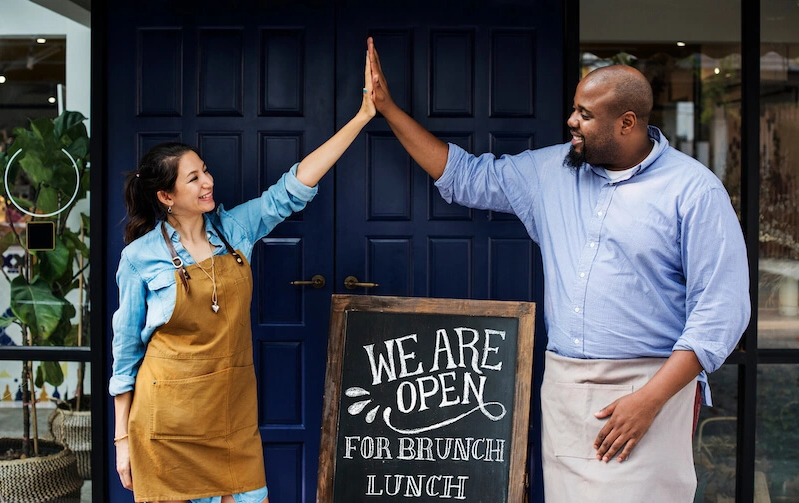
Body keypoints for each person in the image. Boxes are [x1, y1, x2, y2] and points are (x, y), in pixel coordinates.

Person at [366, 37, 750, 502]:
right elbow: (464, 176)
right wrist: (387, 108)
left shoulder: (694, 192)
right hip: (565, 387)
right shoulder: (551, 171)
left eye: (586, 114)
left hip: (651, 388)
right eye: (575, 108)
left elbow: (721, 313)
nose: (571, 120)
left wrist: (650, 400)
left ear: (627, 123)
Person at [109, 55, 375, 503]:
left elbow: (291, 190)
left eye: (205, 171)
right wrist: (121, 443)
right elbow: (125, 357)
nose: (207, 182)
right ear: (167, 196)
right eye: (193, 178)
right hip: (166, 429)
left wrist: (363, 117)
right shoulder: (139, 259)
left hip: (231, 418)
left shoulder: (234, 231)